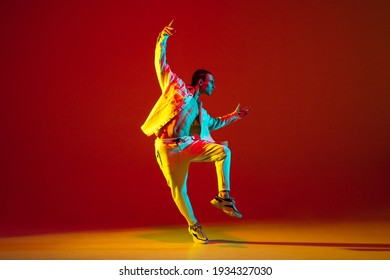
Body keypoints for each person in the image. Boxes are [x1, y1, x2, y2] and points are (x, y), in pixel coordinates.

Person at [141, 21, 250, 244]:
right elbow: (160, 63)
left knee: (223, 152)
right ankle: (194, 226)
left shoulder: (200, 110)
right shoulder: (176, 87)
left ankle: (224, 197)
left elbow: (215, 123)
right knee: (178, 190)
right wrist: (163, 38)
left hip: (189, 144)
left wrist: (235, 116)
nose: (214, 87)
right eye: (212, 83)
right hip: (167, 148)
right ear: (201, 82)